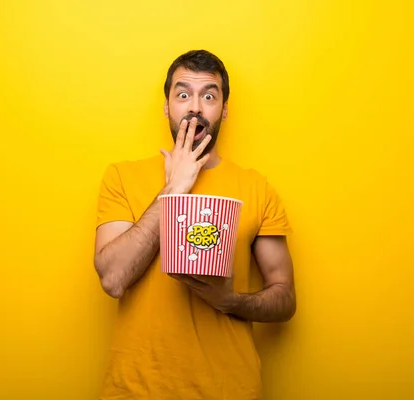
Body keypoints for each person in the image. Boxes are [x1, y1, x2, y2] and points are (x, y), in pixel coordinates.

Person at [94, 49, 296, 400]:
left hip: (229, 389)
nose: (196, 108)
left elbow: (285, 298)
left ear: (225, 109)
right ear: (167, 106)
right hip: (137, 390)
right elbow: (113, 279)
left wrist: (231, 301)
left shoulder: (256, 188)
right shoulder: (121, 177)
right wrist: (174, 188)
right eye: (183, 94)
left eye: (209, 96)